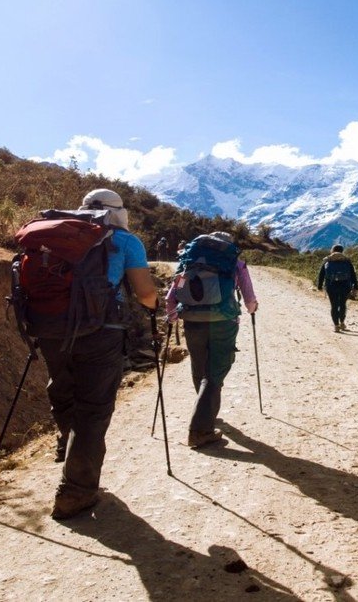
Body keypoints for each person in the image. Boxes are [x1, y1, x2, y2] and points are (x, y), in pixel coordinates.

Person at [42, 188, 158, 520]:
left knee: (62, 389)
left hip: (50, 327)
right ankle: (76, 492)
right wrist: (153, 307)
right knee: (93, 409)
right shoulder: (124, 240)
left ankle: (70, 446)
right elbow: (146, 292)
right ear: (118, 212)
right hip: (99, 331)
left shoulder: (57, 233)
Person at [165, 232, 258, 448]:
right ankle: (199, 430)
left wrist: (172, 317)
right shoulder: (235, 262)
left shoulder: (189, 262)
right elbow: (249, 299)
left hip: (191, 321)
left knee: (200, 368)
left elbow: (172, 296)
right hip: (223, 322)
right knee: (215, 372)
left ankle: (206, 413)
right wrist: (252, 308)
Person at [316, 244, 358, 332]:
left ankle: (336, 326)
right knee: (343, 304)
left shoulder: (327, 260)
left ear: (332, 250)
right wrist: (355, 286)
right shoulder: (347, 261)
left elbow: (321, 274)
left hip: (331, 286)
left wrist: (319, 286)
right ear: (342, 251)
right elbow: (353, 274)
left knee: (334, 305)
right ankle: (342, 323)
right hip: (345, 285)